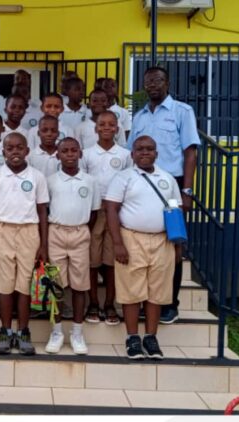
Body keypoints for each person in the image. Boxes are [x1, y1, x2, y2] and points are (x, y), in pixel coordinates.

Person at [127, 66, 200, 324]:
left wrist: (187, 191)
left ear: (167, 83)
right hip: (141, 183)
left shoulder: (182, 111)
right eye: (148, 82)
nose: (153, 86)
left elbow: (190, 152)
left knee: (173, 244)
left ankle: (170, 303)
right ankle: (146, 301)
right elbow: (130, 153)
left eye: (158, 81)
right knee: (144, 245)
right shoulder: (139, 117)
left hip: (172, 185)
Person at [105, 135, 181, 359]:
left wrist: (177, 245)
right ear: (132, 154)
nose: (145, 153)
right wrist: (118, 243)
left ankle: (151, 336)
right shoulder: (123, 178)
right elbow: (111, 209)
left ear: (156, 153)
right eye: (139, 149)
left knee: (156, 291)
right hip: (132, 238)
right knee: (132, 290)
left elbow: (176, 212)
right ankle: (132, 338)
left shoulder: (168, 179)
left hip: (162, 240)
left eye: (149, 149)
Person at [0, 132, 49, 355]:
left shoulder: (37, 176)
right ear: (3, 152)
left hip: (29, 232)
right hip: (3, 231)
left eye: (19, 147)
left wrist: (44, 245)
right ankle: (5, 331)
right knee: (5, 284)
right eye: (10, 148)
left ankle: (23, 331)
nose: (15, 152)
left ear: (27, 151)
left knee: (25, 284)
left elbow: (42, 211)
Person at [44, 137, 99, 355]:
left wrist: (82, 229)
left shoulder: (90, 181)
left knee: (79, 285)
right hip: (56, 232)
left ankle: (77, 332)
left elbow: (94, 213)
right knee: (55, 285)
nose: (69, 154)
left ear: (80, 154)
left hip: (80, 232)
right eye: (64, 151)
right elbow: (44, 209)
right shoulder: (50, 180)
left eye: (73, 150)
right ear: (57, 155)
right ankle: (56, 332)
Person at [83, 111, 132, 326]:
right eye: (101, 124)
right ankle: (93, 302)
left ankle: (109, 303)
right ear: (95, 128)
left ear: (117, 129)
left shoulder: (124, 155)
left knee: (111, 262)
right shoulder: (86, 154)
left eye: (111, 124)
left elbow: (129, 183)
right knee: (92, 261)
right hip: (93, 211)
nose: (106, 127)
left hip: (115, 212)